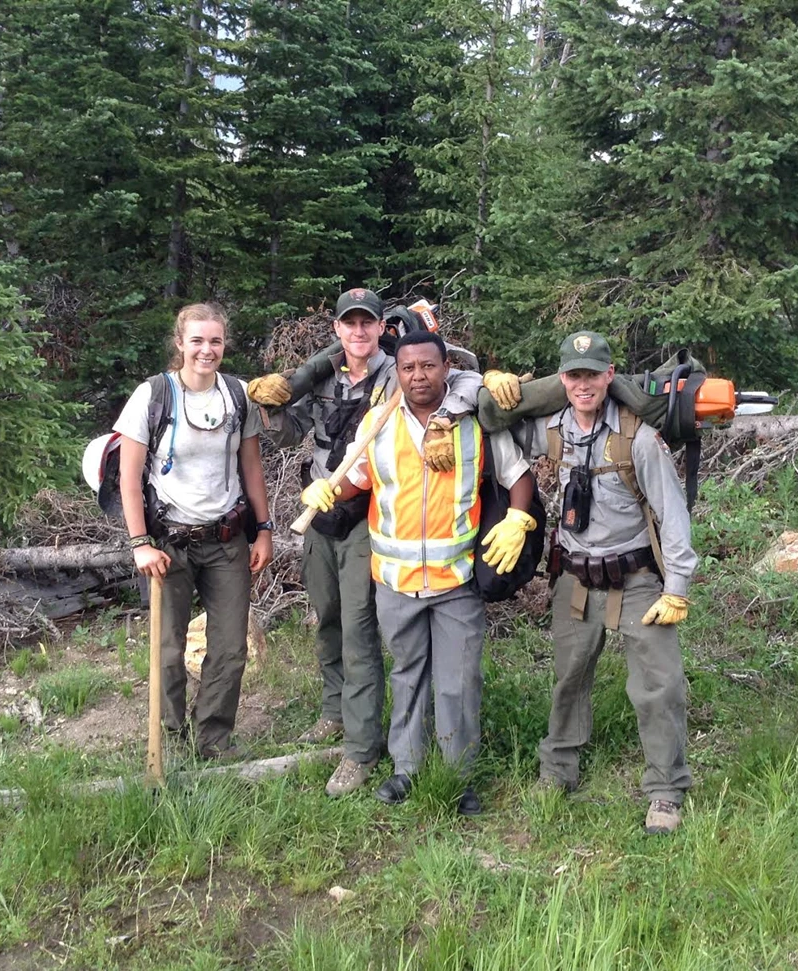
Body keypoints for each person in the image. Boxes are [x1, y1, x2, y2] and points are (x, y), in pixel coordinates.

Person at [248, 288, 492, 798]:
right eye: (349, 324)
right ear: (337, 329)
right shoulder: (320, 378)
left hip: (373, 523)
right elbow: (291, 435)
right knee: (330, 619)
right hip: (324, 513)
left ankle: (365, 751)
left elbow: (459, 374)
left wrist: (452, 411)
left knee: (365, 633)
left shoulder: (399, 374)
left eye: (368, 323)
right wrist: (272, 406)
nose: (358, 332)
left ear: (383, 327)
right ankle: (337, 714)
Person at [301, 330, 536, 815]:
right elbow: (356, 479)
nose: (418, 376)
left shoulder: (474, 423)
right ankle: (406, 769)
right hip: (396, 583)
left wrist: (518, 517)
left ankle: (458, 774)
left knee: (458, 680)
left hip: (456, 582)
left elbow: (518, 475)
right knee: (408, 676)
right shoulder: (378, 423)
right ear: (399, 372)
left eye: (428, 366)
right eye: (408, 368)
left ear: (446, 366)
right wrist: (327, 490)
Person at [521, 331, 698, 835]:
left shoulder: (637, 436)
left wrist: (678, 585)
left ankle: (665, 789)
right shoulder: (549, 429)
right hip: (575, 577)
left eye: (592, 374)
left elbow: (672, 511)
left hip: (638, 577)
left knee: (658, 685)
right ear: (562, 379)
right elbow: (496, 437)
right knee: (568, 679)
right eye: (574, 375)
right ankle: (558, 770)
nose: (583, 384)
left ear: (609, 375)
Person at [114, 303, 274, 761]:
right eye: (198, 340)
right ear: (180, 343)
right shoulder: (153, 395)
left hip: (226, 540)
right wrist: (140, 543)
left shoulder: (237, 394)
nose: (208, 350)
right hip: (168, 543)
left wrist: (263, 530)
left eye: (216, 341)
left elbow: (251, 466)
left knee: (229, 648)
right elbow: (129, 478)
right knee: (168, 650)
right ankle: (167, 735)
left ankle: (213, 740)